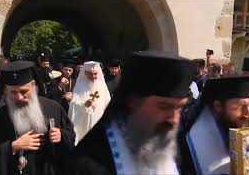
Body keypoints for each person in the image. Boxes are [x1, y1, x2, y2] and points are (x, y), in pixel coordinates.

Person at [66, 51, 196, 175]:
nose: (174, 119)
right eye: (163, 106)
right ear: (133, 101)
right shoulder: (88, 164)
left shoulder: (171, 151)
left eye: (179, 108)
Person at [0, 61, 76, 175]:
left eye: (24, 91)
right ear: (6, 90)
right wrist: (13, 147)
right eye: (13, 92)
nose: (19, 97)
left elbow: (71, 136)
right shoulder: (1, 115)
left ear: (33, 85)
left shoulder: (53, 108)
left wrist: (61, 135)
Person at [179, 76, 249, 174]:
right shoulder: (186, 147)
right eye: (241, 106)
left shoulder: (237, 131)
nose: (248, 114)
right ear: (218, 106)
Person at [68, 61, 111, 144]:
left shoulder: (102, 86)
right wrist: (84, 104)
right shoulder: (80, 85)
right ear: (85, 73)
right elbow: (73, 104)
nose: (94, 77)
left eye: (96, 74)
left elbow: (108, 103)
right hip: (84, 122)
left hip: (99, 120)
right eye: (91, 74)